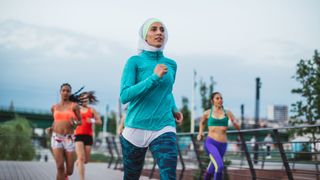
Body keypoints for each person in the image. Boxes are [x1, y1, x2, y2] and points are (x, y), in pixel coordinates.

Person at [119, 18, 183, 180]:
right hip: (136, 127)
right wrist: (154, 78)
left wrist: (174, 109)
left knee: (169, 175)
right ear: (144, 35)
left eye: (162, 29)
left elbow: (167, 92)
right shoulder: (134, 62)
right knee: (131, 177)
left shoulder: (171, 64)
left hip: (164, 126)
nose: (159, 33)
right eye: (153, 29)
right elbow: (125, 96)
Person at [197, 92, 240, 180]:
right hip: (211, 143)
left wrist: (235, 123)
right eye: (217, 98)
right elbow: (202, 122)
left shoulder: (228, 113)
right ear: (212, 100)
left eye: (221, 98)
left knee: (212, 168)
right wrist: (200, 133)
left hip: (223, 145)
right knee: (220, 166)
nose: (220, 100)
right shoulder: (207, 113)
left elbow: (238, 127)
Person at [47, 83, 82, 180]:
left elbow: (80, 121)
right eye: (64, 90)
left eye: (68, 91)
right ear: (60, 92)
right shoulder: (54, 107)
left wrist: (75, 123)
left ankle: (65, 176)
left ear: (70, 93)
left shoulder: (74, 106)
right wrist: (51, 128)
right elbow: (56, 121)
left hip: (69, 139)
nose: (65, 92)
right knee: (60, 167)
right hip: (56, 137)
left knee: (69, 171)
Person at [74, 92, 102, 180]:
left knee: (85, 161)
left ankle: (78, 162)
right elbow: (72, 120)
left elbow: (100, 122)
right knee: (81, 158)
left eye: (86, 99)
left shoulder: (92, 110)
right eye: (83, 99)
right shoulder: (76, 109)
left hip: (88, 136)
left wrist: (92, 120)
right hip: (78, 135)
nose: (85, 100)